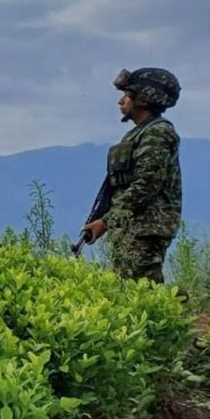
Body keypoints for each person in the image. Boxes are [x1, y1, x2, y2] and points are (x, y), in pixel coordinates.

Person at [82, 68, 182, 283]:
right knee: (128, 289)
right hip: (132, 227)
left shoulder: (158, 133)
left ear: (143, 97)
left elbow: (146, 185)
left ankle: (180, 314)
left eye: (127, 95)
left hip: (147, 228)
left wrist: (106, 221)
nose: (121, 102)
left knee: (143, 290)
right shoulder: (138, 133)